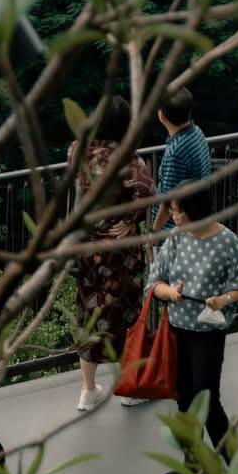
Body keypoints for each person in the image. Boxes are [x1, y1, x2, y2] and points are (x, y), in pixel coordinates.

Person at [146, 182, 238, 474]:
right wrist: (169, 293)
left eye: (177, 210)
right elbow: (154, 282)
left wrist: (225, 299)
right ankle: (194, 461)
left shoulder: (226, 241)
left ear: (193, 211)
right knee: (185, 397)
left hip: (208, 330)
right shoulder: (176, 238)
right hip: (176, 327)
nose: (173, 216)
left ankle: (232, 465)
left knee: (208, 397)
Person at [70, 94, 154, 412]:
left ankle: (87, 391)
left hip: (87, 248)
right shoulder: (128, 159)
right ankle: (129, 387)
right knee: (125, 317)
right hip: (120, 254)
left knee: (88, 314)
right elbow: (147, 191)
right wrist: (128, 221)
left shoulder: (77, 150)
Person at [150, 87, 212, 233]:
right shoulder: (197, 131)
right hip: (195, 219)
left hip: (174, 231)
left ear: (161, 115)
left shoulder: (175, 153)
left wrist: (153, 233)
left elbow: (167, 204)